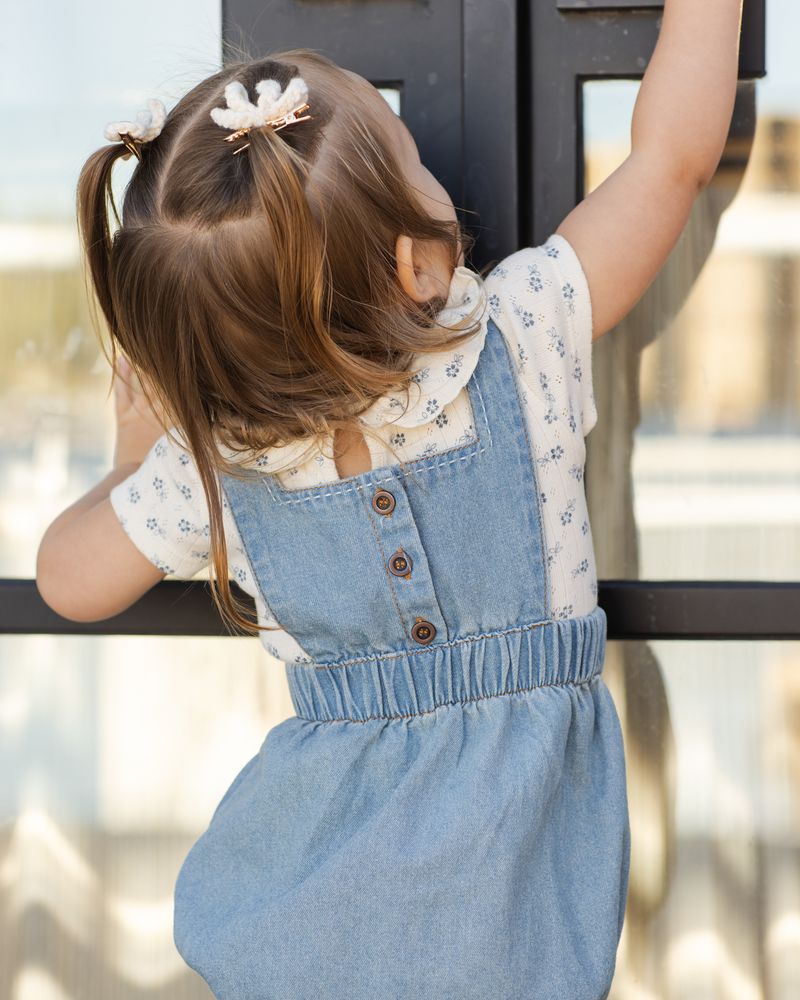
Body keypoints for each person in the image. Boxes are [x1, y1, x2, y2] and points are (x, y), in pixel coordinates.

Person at [36, 2, 743, 996]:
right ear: (413, 264)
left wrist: (137, 450)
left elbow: (67, 579)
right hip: (516, 901)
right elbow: (667, 163)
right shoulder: (522, 335)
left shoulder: (223, 467)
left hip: (309, 907)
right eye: (414, 154)